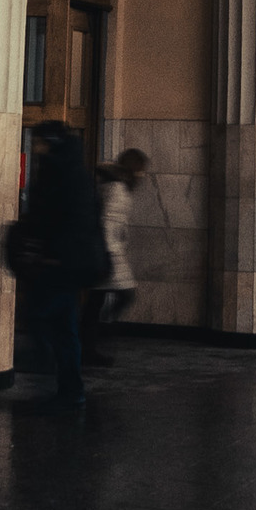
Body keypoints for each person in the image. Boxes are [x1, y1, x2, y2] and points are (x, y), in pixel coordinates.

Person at [20, 121, 108, 406]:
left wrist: (46, 250)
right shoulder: (74, 169)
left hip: (58, 261)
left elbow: (50, 217)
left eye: (40, 141)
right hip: (71, 262)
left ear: (50, 141)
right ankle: (70, 388)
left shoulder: (57, 172)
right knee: (65, 326)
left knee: (39, 316)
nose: (36, 147)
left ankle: (51, 375)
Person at [84, 148, 149, 366]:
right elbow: (108, 223)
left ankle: (89, 345)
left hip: (105, 250)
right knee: (125, 295)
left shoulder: (114, 185)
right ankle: (100, 333)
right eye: (141, 170)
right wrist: (109, 254)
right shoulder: (118, 188)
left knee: (95, 301)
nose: (142, 175)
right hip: (108, 252)